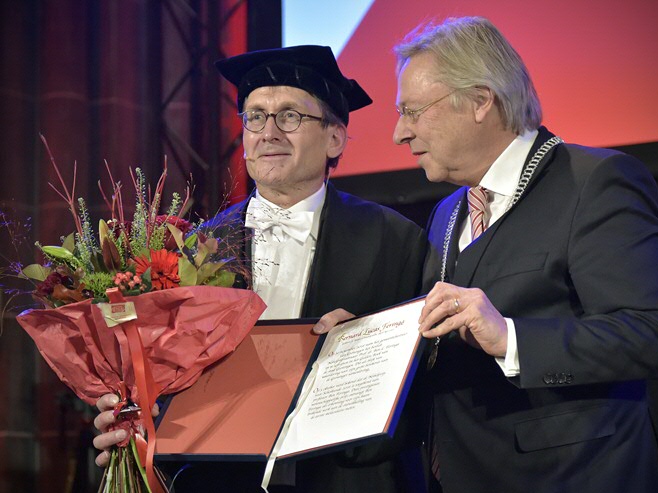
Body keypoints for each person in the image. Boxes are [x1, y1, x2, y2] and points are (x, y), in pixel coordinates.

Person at [317, 15, 658, 493]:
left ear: (480, 101)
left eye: (412, 111)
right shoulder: (448, 212)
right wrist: (366, 341)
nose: (399, 133)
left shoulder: (595, 183)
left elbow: (657, 337)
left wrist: (510, 338)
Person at [92, 45, 428, 492]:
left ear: (334, 139)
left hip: (348, 477)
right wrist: (132, 413)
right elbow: (160, 374)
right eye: (255, 117)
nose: (269, 132)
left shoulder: (396, 240)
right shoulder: (192, 249)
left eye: (290, 116)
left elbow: (426, 379)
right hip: (219, 480)